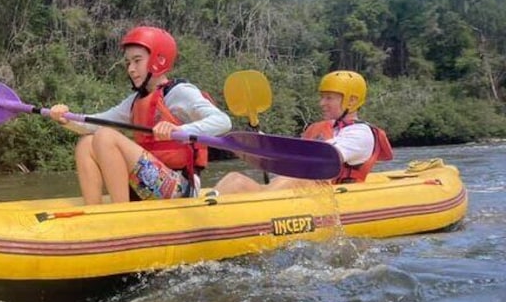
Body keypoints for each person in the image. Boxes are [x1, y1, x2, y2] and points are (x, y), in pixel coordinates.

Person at [48, 25, 232, 205]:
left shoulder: (179, 92)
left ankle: (122, 213)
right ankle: (93, 210)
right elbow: (96, 122)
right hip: (147, 185)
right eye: (128, 62)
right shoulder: (135, 101)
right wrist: (66, 118)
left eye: (137, 61)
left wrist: (181, 129)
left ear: (158, 60)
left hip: (180, 189)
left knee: (106, 136)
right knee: (86, 142)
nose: (130, 69)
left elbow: (223, 122)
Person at [214, 70, 393, 194]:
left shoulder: (360, 134)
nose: (321, 103)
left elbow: (322, 156)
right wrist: (263, 145)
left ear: (351, 101)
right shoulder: (324, 128)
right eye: (322, 97)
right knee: (234, 178)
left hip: (336, 196)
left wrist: (272, 149)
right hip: (300, 190)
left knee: (298, 179)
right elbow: (296, 154)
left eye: (328, 98)